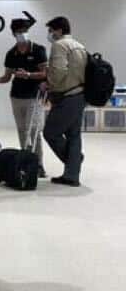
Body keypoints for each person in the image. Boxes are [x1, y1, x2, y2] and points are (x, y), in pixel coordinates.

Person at [0, 18, 48, 177]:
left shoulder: (38, 50)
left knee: (33, 129)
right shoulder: (11, 53)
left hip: (34, 96)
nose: (22, 34)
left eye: (24, 31)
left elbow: (45, 73)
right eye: (19, 32)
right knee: (22, 130)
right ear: (14, 34)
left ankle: (38, 163)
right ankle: (25, 159)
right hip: (16, 96)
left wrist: (28, 75)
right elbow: (7, 76)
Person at [43, 16, 88, 187]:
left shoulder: (59, 45)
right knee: (74, 136)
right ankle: (71, 176)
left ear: (59, 30)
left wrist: (49, 83)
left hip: (67, 96)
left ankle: (74, 160)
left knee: (50, 132)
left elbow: (59, 71)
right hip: (80, 94)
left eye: (51, 30)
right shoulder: (79, 45)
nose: (50, 34)